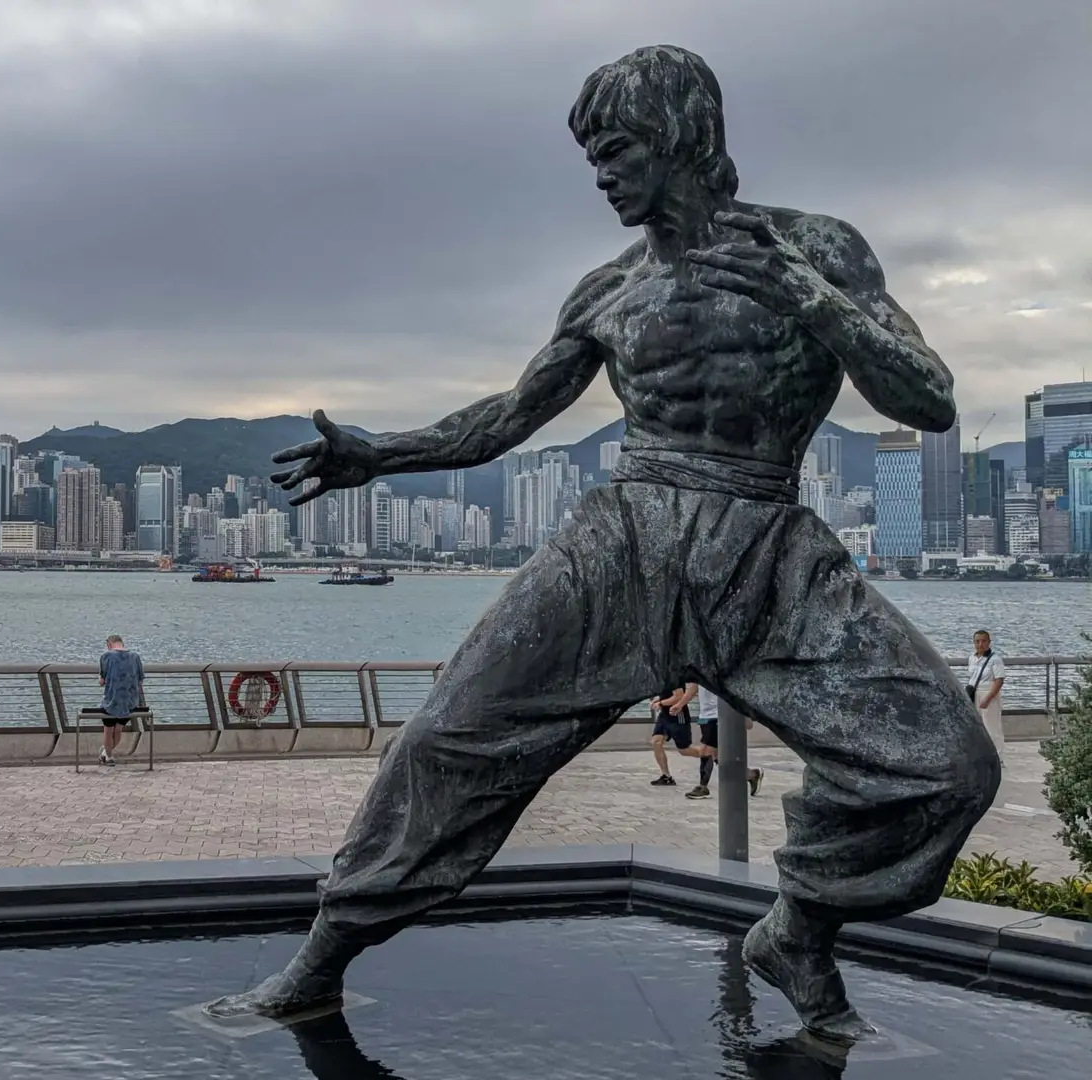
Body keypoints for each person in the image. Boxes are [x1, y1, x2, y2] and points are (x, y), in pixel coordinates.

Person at [216, 45, 998, 1043]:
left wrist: (803, 293)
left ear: (682, 136)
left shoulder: (820, 249)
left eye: (616, 150)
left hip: (766, 549)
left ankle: (798, 928)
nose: (602, 176)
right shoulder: (604, 292)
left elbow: (927, 401)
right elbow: (509, 417)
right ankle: (319, 959)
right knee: (450, 738)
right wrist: (383, 453)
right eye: (592, 158)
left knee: (949, 767)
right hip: (621, 543)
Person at [681, 683, 763, 800]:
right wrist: (680, 705)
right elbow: (693, 688)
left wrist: (744, 713)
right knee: (720, 758)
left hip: (718, 715)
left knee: (706, 751)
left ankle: (702, 787)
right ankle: (752, 774)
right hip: (705, 715)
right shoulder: (699, 671)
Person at [96, 634, 145, 767]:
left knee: (108, 730)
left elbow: (102, 681)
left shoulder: (106, 657)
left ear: (108, 644)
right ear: (122, 643)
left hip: (111, 702)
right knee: (118, 730)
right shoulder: (135, 657)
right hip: (129, 703)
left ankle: (108, 756)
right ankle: (106, 754)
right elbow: (140, 679)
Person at [966, 630, 1007, 754]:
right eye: (977, 641)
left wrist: (989, 698)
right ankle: (982, 754)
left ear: (989, 642)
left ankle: (998, 757)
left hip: (988, 693)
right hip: (974, 693)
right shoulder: (972, 658)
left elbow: (999, 680)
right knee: (977, 727)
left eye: (983, 641)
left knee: (992, 728)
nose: (980, 644)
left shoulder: (995, 659)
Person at [647, 686, 692, 786]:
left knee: (684, 750)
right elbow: (668, 694)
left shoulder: (674, 677)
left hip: (678, 715)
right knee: (656, 742)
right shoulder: (663, 677)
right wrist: (658, 700)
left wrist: (661, 703)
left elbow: (679, 696)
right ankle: (666, 776)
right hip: (665, 715)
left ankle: (709, 753)